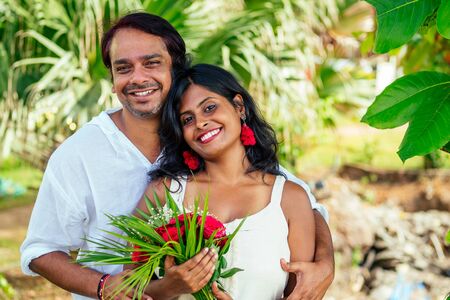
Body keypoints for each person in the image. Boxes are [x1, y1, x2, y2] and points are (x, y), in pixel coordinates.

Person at [20, 12, 334, 300]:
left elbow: (298, 201)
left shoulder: (211, 143)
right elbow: (39, 250)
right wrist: (103, 286)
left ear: (175, 66)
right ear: (113, 81)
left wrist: (326, 262)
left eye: (152, 62)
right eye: (123, 68)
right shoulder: (80, 154)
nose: (138, 78)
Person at [134, 63, 316, 299]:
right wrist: (169, 288)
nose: (200, 122)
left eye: (209, 108)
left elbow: (304, 292)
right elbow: (127, 287)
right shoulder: (164, 193)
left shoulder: (290, 199)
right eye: (187, 119)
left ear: (239, 106)